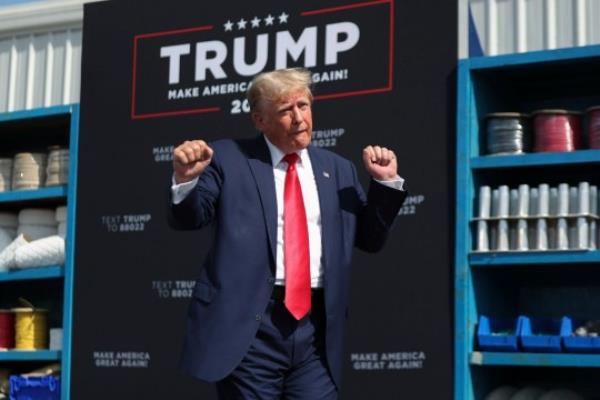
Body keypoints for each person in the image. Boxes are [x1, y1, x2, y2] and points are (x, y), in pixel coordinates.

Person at [169, 68, 407, 399]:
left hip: (315, 333)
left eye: (304, 106)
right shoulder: (227, 157)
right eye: (285, 110)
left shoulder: (338, 169)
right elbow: (190, 217)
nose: (299, 118)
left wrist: (384, 184)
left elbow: (370, 239)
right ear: (260, 120)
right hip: (250, 329)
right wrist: (185, 178)